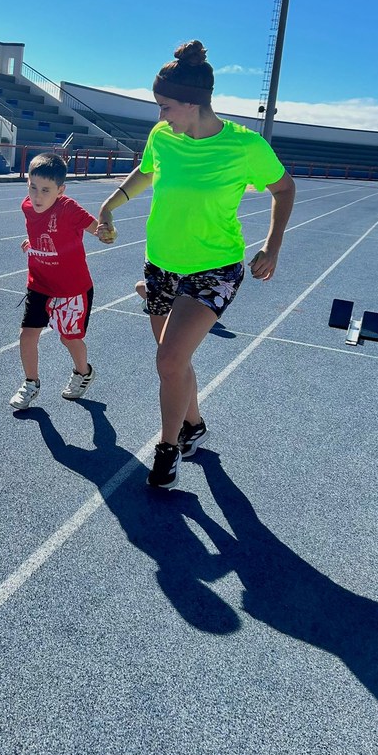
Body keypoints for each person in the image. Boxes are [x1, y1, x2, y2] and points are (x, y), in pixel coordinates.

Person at [97, 40, 296, 488]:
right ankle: (193, 425)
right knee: (174, 361)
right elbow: (147, 171)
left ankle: (167, 451)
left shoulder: (244, 146)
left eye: (165, 106)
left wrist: (272, 245)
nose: (160, 115)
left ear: (192, 104)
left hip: (215, 269)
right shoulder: (162, 136)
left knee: (169, 359)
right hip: (161, 265)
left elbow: (284, 189)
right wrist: (110, 206)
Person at [10, 152, 101, 410]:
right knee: (27, 335)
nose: (37, 196)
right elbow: (39, 231)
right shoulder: (27, 206)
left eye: (45, 190)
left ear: (60, 190)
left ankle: (83, 372)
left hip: (72, 289)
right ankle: (31, 383)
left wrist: (106, 232)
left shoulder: (68, 209)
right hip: (39, 283)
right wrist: (32, 242)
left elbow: (96, 228)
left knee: (68, 338)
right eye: (33, 187)